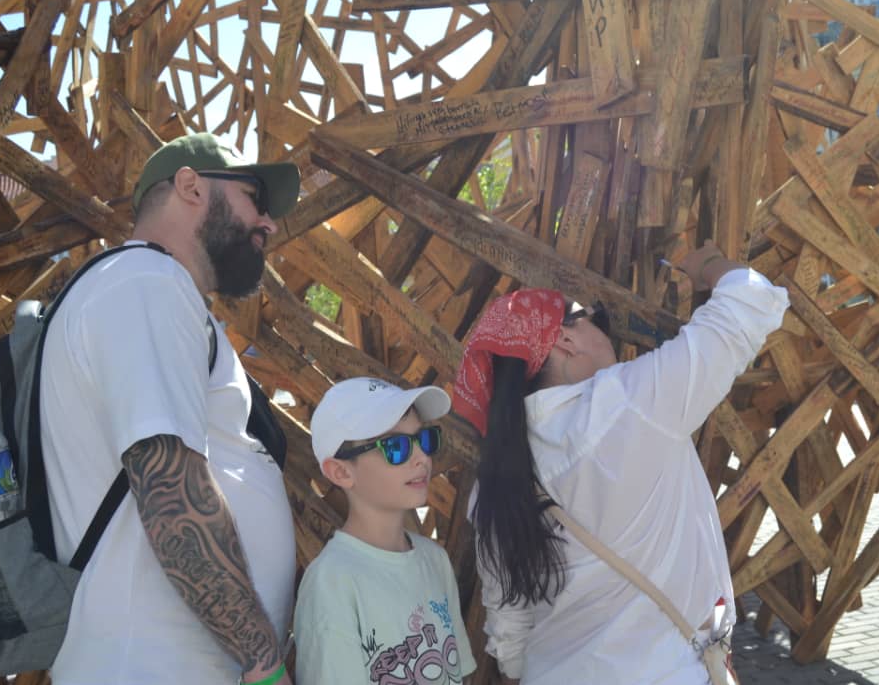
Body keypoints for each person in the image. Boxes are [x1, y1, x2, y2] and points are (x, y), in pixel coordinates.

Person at [452, 242, 790, 685]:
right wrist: (707, 264)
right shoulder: (630, 402)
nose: (605, 331)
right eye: (596, 317)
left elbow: (510, 633)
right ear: (564, 339)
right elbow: (751, 300)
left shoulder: (491, 488)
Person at [39, 133, 300, 684]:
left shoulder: (146, 288)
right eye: (254, 195)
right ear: (191, 186)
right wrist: (265, 666)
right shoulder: (146, 283)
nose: (268, 223)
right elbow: (171, 492)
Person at [295, 377, 477, 685]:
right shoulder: (332, 583)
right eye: (396, 447)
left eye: (425, 439)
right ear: (341, 471)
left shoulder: (435, 559)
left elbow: (461, 673)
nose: (421, 457)